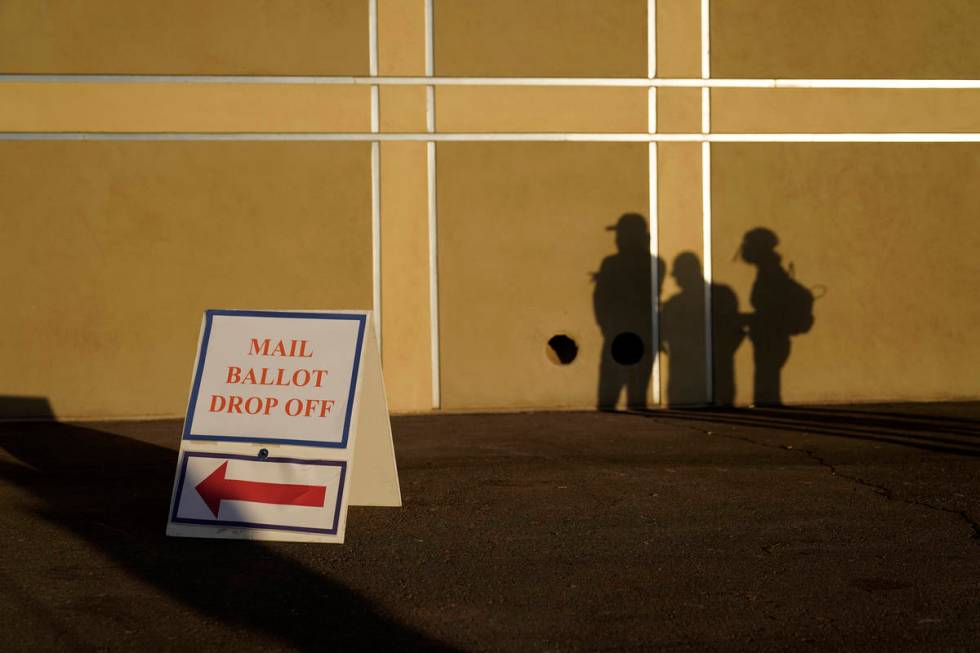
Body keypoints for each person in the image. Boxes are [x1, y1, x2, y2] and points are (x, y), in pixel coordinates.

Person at [592, 214, 659, 409]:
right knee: (636, 395)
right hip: (641, 332)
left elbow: (600, 299)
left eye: (620, 234)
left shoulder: (612, 264)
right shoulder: (654, 264)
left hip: (618, 332)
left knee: (608, 396)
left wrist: (605, 325)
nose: (616, 239)